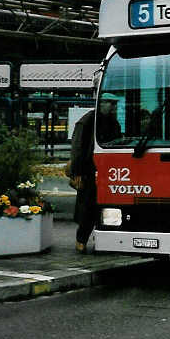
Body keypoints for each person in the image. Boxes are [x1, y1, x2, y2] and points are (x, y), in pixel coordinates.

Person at [69, 108, 96, 253]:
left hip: (97, 169)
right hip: (88, 171)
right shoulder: (87, 121)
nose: (114, 107)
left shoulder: (108, 120)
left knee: (90, 206)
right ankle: (81, 240)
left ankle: (84, 239)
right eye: (111, 103)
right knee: (88, 206)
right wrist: (77, 172)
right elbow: (77, 148)